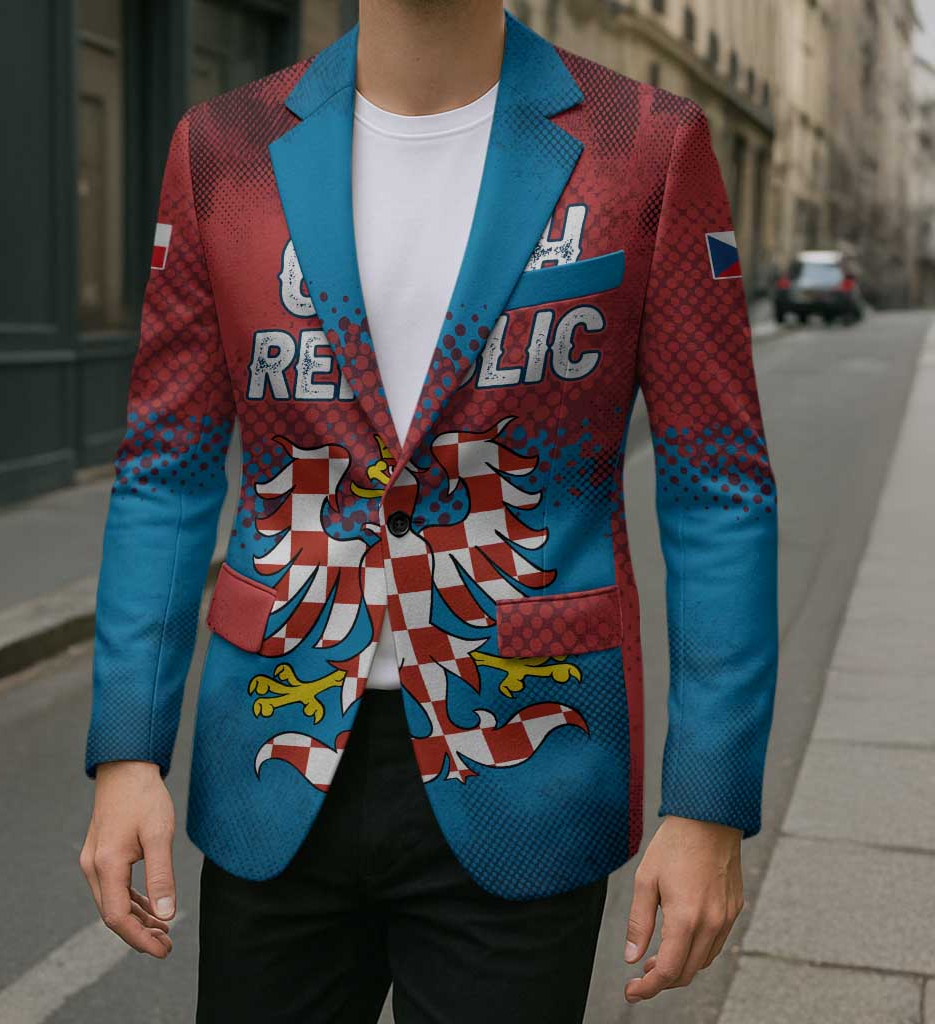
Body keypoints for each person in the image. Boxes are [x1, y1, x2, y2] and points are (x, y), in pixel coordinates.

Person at [79, 2, 779, 1021]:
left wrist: (707, 798)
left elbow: (717, 484)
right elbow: (166, 468)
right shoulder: (223, 148)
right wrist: (128, 749)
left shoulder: (646, 146)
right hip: (277, 755)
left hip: (526, 761)